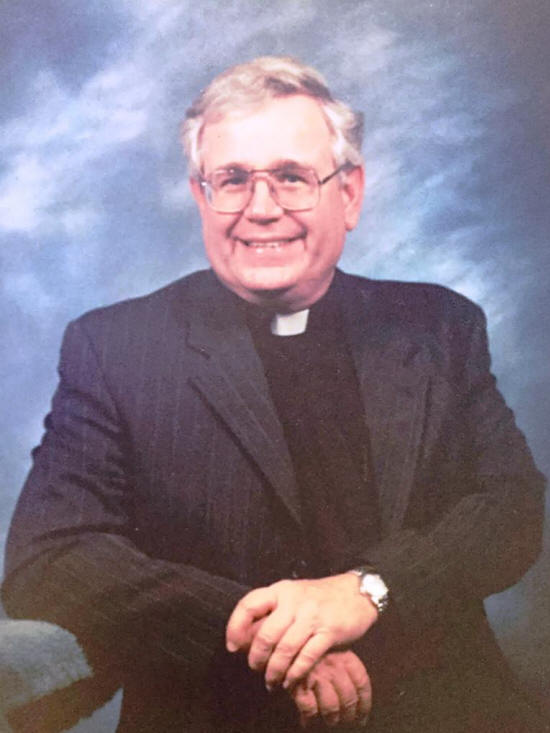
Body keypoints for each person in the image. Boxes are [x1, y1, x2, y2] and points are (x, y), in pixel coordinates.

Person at [2, 56, 547, 732]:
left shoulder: (438, 325)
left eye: (292, 177)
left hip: (445, 711)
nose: (261, 209)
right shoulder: (114, 346)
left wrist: (369, 590)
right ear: (202, 197)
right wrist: (269, 640)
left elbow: (509, 509)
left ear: (350, 194)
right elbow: (50, 558)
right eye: (233, 180)